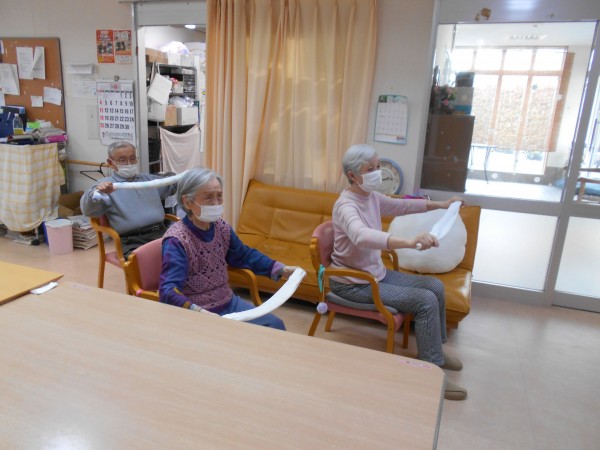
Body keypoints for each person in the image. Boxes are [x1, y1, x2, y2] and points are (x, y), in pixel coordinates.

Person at [329, 144, 467, 401]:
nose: (377, 173)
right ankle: (430, 371)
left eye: (377, 166)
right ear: (352, 175)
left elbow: (402, 206)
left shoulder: (370, 197)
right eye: (370, 169)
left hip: (374, 275)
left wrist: (443, 204)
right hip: (353, 283)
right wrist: (409, 242)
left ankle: (434, 351)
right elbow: (361, 235)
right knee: (424, 301)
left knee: (435, 287)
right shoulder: (345, 206)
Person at [159, 167, 296, 330]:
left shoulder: (221, 228)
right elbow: (168, 290)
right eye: (208, 197)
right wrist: (198, 312)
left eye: (219, 196)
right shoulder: (176, 241)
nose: (216, 203)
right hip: (198, 312)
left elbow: (244, 255)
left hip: (229, 304)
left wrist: (280, 269)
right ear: (188, 202)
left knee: (275, 326)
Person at [80, 141, 177, 259]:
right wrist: (97, 192)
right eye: (122, 160)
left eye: (132, 158)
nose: (129, 163)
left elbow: (173, 185)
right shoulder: (105, 186)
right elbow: (87, 210)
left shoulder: (148, 180)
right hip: (131, 240)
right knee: (148, 261)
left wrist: (176, 177)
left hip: (161, 232)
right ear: (110, 163)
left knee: (184, 252)